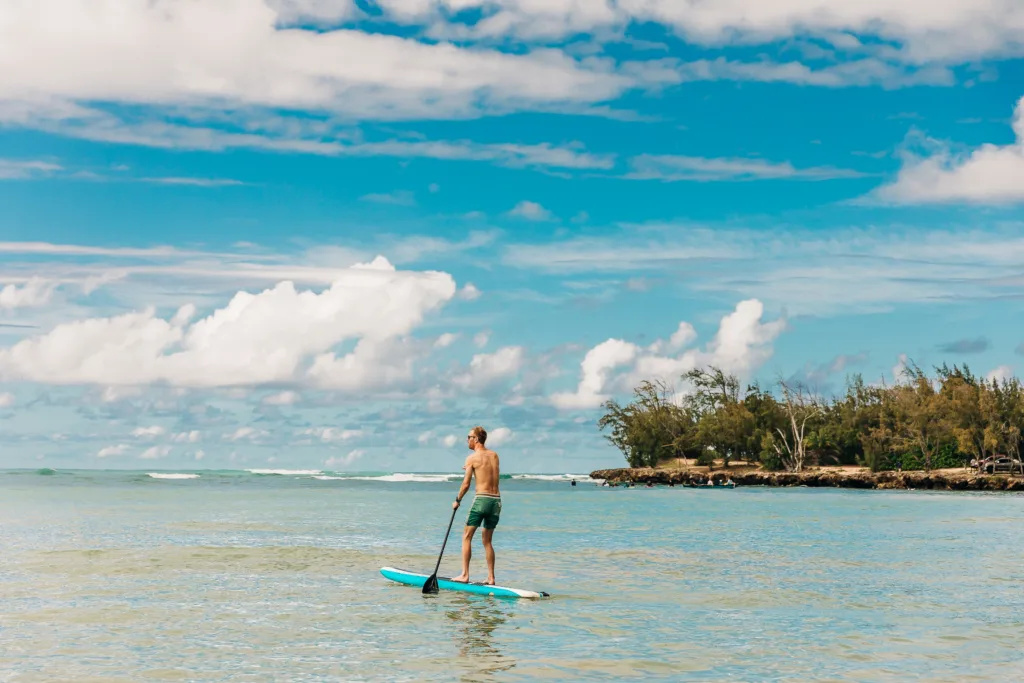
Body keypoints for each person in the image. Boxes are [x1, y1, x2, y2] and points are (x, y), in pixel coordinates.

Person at [450, 426, 501, 585]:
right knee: (487, 541)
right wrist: (471, 467)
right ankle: (491, 578)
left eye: (469, 437)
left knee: (466, 537)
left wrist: (457, 500)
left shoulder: (471, 458)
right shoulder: (494, 455)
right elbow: (487, 470)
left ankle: (465, 575)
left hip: (482, 500)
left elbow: (466, 484)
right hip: (496, 502)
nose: (467, 440)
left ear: (476, 439)